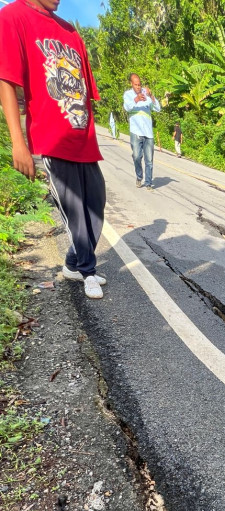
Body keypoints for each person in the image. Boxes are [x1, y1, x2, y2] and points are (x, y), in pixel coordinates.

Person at [0, 0, 107, 300]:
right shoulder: (13, 16)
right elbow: (7, 81)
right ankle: (87, 271)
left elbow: (85, 91)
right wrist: (18, 142)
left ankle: (74, 263)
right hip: (51, 140)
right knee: (74, 213)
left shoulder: (70, 30)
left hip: (84, 140)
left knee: (96, 206)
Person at [123, 73, 161, 190]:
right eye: (136, 85)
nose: (138, 87)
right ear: (131, 84)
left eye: (139, 85)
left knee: (149, 160)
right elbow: (127, 107)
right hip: (136, 131)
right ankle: (139, 177)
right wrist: (136, 99)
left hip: (148, 133)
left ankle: (148, 183)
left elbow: (158, 108)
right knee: (136, 156)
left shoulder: (146, 93)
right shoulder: (128, 95)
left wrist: (152, 96)